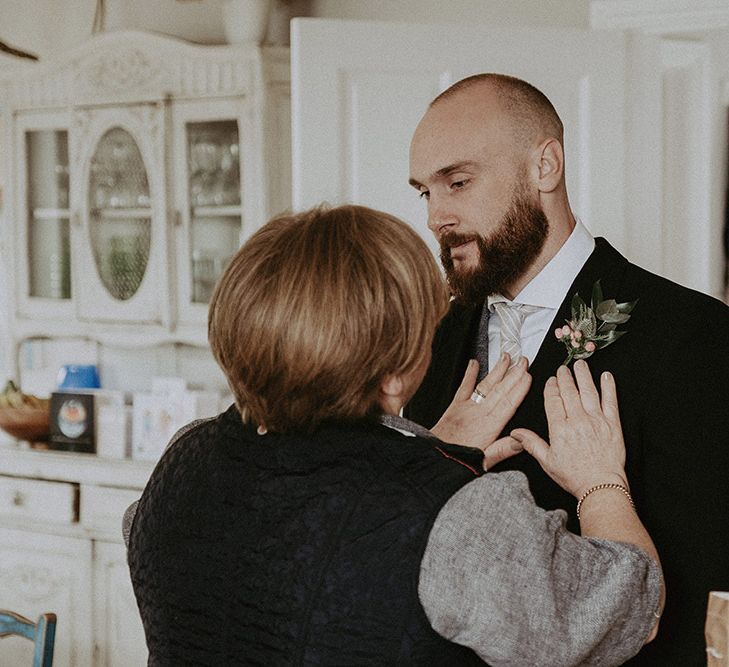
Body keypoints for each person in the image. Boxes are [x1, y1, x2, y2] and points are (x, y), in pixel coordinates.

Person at [126, 204, 663, 665]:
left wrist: (426, 448)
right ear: (393, 375)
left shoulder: (181, 462)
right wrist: (601, 485)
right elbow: (632, 611)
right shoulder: (458, 519)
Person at [406, 73, 729, 666]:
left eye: (457, 181)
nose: (436, 217)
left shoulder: (692, 335)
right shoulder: (432, 337)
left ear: (545, 166)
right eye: (426, 192)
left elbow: (709, 579)